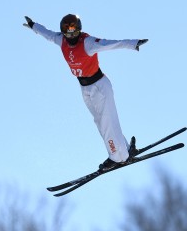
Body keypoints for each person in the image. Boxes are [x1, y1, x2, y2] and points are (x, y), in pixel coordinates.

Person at [23, 14, 148, 171]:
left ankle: (118, 157)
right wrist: (34, 26)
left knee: (107, 122)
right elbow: (48, 34)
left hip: (99, 86)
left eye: (73, 30)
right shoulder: (61, 40)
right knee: (100, 122)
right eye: (67, 31)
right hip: (85, 88)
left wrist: (132, 43)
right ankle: (123, 150)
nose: (70, 34)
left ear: (79, 29)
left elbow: (108, 44)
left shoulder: (87, 43)